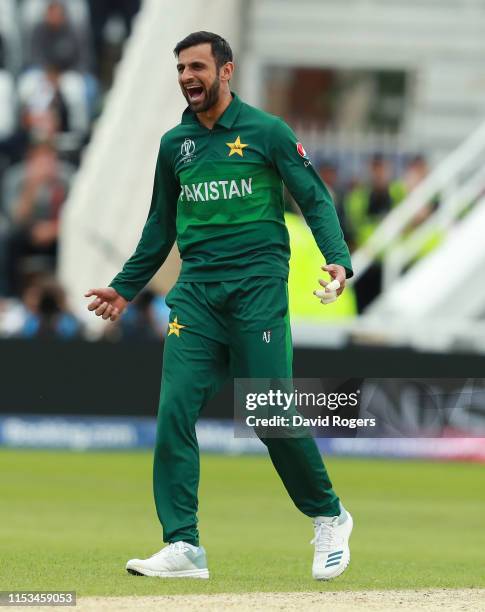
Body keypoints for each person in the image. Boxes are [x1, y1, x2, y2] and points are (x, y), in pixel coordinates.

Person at [85, 31, 353, 581]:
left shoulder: (266, 132)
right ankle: (183, 545)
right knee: (174, 411)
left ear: (226, 72)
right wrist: (125, 286)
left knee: (269, 415)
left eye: (198, 67)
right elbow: (159, 227)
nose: (187, 76)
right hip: (197, 299)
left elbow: (314, 197)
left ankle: (330, 517)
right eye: (181, 67)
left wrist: (337, 260)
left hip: (256, 294)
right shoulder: (173, 145)